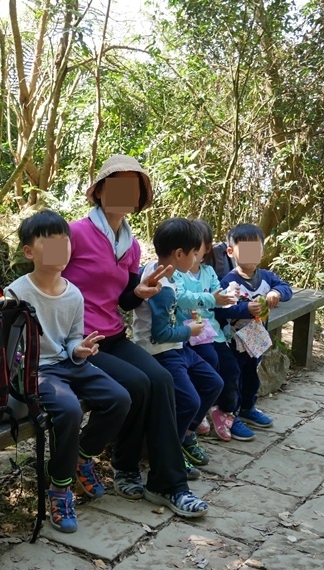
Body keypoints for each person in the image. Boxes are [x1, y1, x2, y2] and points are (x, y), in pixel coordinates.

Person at [62, 154, 208, 518]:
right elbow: (47, 281)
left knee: (159, 378)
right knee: (138, 384)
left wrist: (139, 292)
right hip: (78, 342)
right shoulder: (74, 233)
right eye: (118, 185)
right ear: (99, 191)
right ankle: (124, 467)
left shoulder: (131, 244)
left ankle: (165, 484)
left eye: (134, 189)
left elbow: (125, 298)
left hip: (111, 334)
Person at [5, 210, 131, 533]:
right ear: (29, 251)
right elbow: (8, 349)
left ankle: (82, 454)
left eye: (65, 242)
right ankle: (60, 488)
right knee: (69, 409)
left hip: (69, 364)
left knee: (119, 398)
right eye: (51, 242)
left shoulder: (74, 293)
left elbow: (73, 337)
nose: (61, 249)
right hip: (37, 372)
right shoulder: (16, 294)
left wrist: (79, 348)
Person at [132, 218, 224, 482]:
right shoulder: (162, 286)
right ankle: (170, 451)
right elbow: (159, 333)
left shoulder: (164, 271)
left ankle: (185, 434)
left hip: (177, 346)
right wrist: (189, 331)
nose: (197, 259)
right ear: (180, 254)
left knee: (213, 383)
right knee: (190, 401)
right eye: (195, 253)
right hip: (161, 351)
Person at [175, 219, 253, 442]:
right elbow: (182, 299)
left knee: (230, 368)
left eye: (194, 247)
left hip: (213, 333)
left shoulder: (208, 272)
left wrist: (230, 294)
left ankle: (222, 410)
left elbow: (219, 298)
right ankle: (199, 413)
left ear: (206, 248)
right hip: (190, 333)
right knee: (209, 365)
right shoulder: (178, 274)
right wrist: (213, 298)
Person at [214, 224, 293, 430]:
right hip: (233, 342)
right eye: (246, 249)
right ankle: (231, 415)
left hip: (256, 339)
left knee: (252, 378)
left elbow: (286, 288)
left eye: (256, 249)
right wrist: (244, 308)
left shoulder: (267, 277)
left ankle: (248, 408)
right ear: (231, 252)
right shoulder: (229, 281)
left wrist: (278, 293)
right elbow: (220, 310)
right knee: (235, 379)